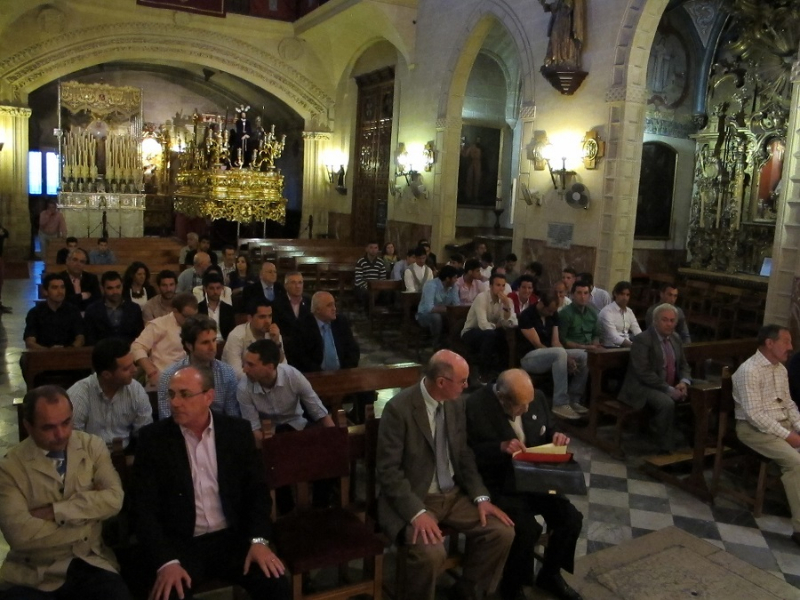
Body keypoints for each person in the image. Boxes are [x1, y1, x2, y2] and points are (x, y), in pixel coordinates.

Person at [132, 366, 290, 600]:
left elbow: (257, 493)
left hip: (232, 538)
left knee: (276, 584)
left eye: (185, 394)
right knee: (168, 595)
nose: (175, 402)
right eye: (171, 394)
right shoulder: (153, 440)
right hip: (181, 544)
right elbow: (142, 508)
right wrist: (166, 562)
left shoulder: (236, 432)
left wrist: (259, 541)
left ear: (209, 397)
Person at [375, 350, 515, 600]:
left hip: (452, 495)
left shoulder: (456, 404)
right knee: (431, 553)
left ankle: (467, 591)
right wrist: (416, 513)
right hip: (415, 497)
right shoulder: (399, 409)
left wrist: (481, 497)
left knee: (501, 532)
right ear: (441, 382)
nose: (467, 386)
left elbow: (463, 455)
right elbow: (388, 471)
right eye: (462, 381)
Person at [0, 385, 130, 599]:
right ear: (28, 426)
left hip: (91, 560)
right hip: (34, 572)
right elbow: (20, 535)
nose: (61, 434)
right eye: (48, 427)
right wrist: (88, 520)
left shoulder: (92, 446)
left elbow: (115, 499)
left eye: (66, 422)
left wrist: (56, 511)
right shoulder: (9, 469)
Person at [466, 369, 584, 600]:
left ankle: (550, 574)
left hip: (534, 476)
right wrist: (499, 447)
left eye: (529, 403)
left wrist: (556, 436)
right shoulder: (476, 405)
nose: (527, 409)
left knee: (570, 519)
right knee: (526, 529)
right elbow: (466, 454)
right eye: (521, 406)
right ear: (502, 398)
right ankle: (513, 585)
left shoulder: (535, 397)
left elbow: (549, 427)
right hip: (499, 482)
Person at [733, 325, 800, 546]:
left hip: (780, 424)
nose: (791, 347)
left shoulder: (780, 369)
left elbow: (789, 405)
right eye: (786, 341)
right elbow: (755, 416)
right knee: (795, 462)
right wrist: (788, 436)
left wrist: (798, 427)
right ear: (770, 343)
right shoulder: (749, 370)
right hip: (753, 430)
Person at [618, 303, 691, 453]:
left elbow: (684, 365)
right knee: (666, 403)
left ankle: (691, 441)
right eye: (665, 320)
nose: (669, 324)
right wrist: (668, 389)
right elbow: (643, 372)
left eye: (672, 320)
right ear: (655, 321)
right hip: (642, 387)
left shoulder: (676, 338)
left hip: (670, 383)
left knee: (701, 392)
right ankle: (664, 447)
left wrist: (684, 382)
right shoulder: (643, 339)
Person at [238, 338, 334, 439]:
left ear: (270, 367)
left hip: (298, 426)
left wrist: (335, 439)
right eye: (245, 363)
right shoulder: (244, 388)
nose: (245, 370)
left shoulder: (293, 376)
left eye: (251, 365)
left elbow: (319, 412)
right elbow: (254, 428)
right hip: (268, 434)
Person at [68, 338, 152, 449]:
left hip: (126, 453)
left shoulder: (135, 390)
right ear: (106, 375)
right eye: (126, 368)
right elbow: (73, 439)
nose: (134, 370)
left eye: (133, 364)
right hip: (88, 455)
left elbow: (145, 433)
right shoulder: (79, 394)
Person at [519, 291, 589, 420]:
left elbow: (555, 342)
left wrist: (567, 357)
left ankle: (574, 399)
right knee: (559, 353)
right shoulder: (527, 315)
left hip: (551, 353)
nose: (552, 314)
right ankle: (559, 403)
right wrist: (564, 357)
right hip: (529, 357)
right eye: (550, 311)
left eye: (553, 311)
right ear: (541, 304)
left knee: (583, 355)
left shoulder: (553, 314)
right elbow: (538, 344)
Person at [157, 315, 240, 420]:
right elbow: (166, 419)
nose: (212, 347)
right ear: (189, 346)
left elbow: (232, 417)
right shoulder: (169, 376)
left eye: (214, 340)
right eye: (205, 342)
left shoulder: (227, 373)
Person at [131, 292, 198, 389]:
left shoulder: (196, 325)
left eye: (193, 317)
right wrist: (151, 371)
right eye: (186, 316)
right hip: (163, 379)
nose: (190, 320)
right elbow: (137, 347)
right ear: (175, 311)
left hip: (189, 378)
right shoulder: (159, 325)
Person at [461, 273, 517, 381]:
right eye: (498, 285)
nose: (501, 288)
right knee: (491, 335)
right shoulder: (481, 298)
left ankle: (503, 373)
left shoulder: (506, 300)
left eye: (503, 285)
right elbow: (483, 325)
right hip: (471, 332)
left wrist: (507, 307)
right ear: (491, 286)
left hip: (491, 333)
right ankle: (484, 374)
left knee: (501, 335)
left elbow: (511, 323)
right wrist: (497, 325)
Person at [290, 291, 359, 374]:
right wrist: (320, 375)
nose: (334, 308)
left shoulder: (341, 322)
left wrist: (344, 371)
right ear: (317, 309)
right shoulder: (302, 326)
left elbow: (353, 350)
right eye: (329, 305)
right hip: (315, 375)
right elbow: (301, 358)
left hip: (342, 373)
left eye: (334, 304)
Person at [222, 298, 284, 378]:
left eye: (270, 316)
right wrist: (263, 379)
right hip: (238, 383)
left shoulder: (274, 334)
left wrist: (277, 343)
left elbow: (283, 366)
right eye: (262, 317)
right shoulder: (236, 335)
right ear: (250, 318)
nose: (267, 321)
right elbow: (236, 373)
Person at [24, 273, 85, 349]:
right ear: (45, 291)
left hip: (69, 353)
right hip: (43, 354)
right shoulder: (35, 313)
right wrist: (50, 352)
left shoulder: (73, 311)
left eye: (62, 287)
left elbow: (80, 338)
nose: (60, 291)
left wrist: (67, 350)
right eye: (55, 288)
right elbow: (30, 342)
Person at [83, 271, 144, 345]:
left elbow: (140, 336)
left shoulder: (134, 308)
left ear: (122, 286)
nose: (115, 292)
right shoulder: (92, 310)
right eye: (110, 288)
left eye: (118, 287)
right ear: (102, 289)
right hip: (102, 350)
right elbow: (90, 339)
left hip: (129, 349)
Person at [416, 265, 460, 349]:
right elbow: (429, 308)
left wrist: (452, 310)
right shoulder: (431, 285)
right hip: (424, 315)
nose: (456, 280)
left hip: (444, 313)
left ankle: (451, 343)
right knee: (436, 317)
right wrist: (448, 309)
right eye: (454, 278)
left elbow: (456, 305)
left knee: (456, 317)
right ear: (447, 279)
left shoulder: (454, 287)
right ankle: (436, 344)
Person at [540, 0, 586, 69]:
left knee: (563, 39)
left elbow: (569, 5)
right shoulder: (558, 2)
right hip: (557, 21)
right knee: (554, 38)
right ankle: (555, 59)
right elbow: (550, 7)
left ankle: (564, 58)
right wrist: (543, 3)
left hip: (566, 21)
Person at [271, 271, 311, 349]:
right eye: (293, 283)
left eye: (300, 283)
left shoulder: (309, 301)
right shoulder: (277, 304)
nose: (298, 286)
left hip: (308, 346)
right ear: (286, 286)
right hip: (286, 346)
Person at [558, 281, 601, 351]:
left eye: (586, 293)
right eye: (579, 293)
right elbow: (562, 340)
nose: (583, 297)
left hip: (591, 348)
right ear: (572, 295)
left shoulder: (592, 312)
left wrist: (595, 343)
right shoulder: (565, 313)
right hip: (573, 349)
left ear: (589, 296)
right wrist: (583, 347)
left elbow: (596, 334)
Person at [598, 280, 641, 348]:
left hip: (627, 346)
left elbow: (637, 331)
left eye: (627, 295)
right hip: (610, 348)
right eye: (622, 294)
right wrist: (633, 346)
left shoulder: (629, 312)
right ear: (615, 294)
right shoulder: (607, 312)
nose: (625, 298)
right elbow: (614, 337)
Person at [197, 271, 235, 340]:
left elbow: (232, 332)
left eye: (218, 288)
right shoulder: (198, 308)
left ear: (222, 288)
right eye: (211, 288)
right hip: (205, 342)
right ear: (205, 289)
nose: (215, 292)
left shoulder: (229, 309)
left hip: (225, 342)